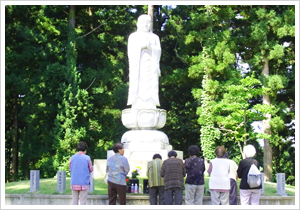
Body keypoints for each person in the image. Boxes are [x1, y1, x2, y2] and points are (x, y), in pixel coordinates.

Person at [127, 14, 161, 110]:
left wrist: (150, 47)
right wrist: (141, 46)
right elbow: (130, 52)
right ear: (137, 24)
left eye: (148, 22)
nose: (146, 24)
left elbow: (158, 51)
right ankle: (137, 102)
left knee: (152, 85)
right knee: (138, 85)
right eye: (143, 22)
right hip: (138, 67)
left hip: (151, 67)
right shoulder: (133, 37)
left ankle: (151, 102)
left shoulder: (155, 37)